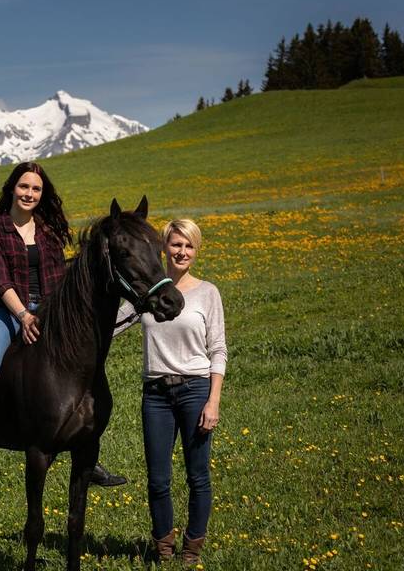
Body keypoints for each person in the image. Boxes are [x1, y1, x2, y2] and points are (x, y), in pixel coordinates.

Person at [0, 161, 127, 490]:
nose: (29, 193)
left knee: (78, 370)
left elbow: (61, 278)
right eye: (24, 187)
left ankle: (86, 449)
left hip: (48, 311)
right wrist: (23, 316)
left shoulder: (48, 232)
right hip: (6, 312)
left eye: (36, 189)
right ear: (12, 189)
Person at [113, 218, 226, 565]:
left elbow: (218, 349)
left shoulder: (207, 293)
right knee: (158, 478)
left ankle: (192, 548)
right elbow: (111, 326)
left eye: (189, 245)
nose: (182, 251)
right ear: (164, 248)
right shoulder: (147, 294)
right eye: (176, 244)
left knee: (197, 475)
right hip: (156, 394)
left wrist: (213, 401)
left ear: (196, 250)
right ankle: (163, 547)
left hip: (195, 390)